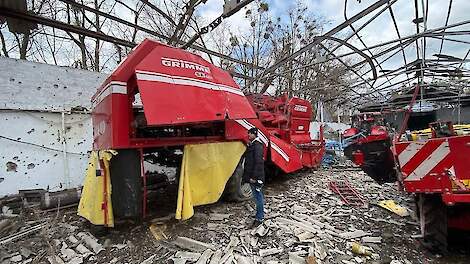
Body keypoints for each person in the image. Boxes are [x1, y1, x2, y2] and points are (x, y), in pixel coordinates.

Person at [242, 127, 265, 227]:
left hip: (256, 177)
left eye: (250, 134)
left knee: (258, 197)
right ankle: (258, 215)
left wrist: (254, 177)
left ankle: (259, 218)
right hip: (253, 176)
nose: (248, 135)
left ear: (254, 134)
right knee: (256, 197)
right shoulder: (253, 145)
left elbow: (258, 162)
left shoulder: (257, 146)